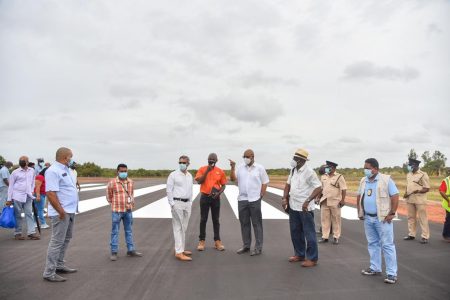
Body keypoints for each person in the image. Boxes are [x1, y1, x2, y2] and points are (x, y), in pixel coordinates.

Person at [357, 158, 399, 284]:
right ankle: (375, 268)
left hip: (382, 218)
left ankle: (392, 274)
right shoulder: (363, 180)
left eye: (368, 168)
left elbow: (395, 196)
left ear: (375, 169)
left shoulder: (386, 180)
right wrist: (359, 211)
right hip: (368, 217)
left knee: (387, 245)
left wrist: (392, 213)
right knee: (372, 243)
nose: (365, 170)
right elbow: (359, 195)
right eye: (364, 168)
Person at [43, 147, 79, 282]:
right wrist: (60, 211)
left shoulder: (67, 170)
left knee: (66, 238)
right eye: (71, 156)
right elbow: (50, 193)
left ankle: (59, 265)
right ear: (65, 157)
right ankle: (49, 272)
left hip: (69, 210)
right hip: (61, 212)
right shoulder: (53, 171)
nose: (72, 159)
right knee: (57, 241)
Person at [281, 148, 322, 267]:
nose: (293, 160)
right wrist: (284, 198)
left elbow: (318, 187)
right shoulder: (293, 170)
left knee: (309, 233)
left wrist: (308, 200)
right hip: (293, 206)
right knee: (295, 232)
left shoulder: (309, 172)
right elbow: (288, 185)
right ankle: (299, 254)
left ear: (301, 160)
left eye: (295, 158)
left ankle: (312, 258)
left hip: (305, 208)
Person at [229, 149, 269, 256]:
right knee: (244, 223)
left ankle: (258, 248)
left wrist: (261, 194)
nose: (245, 158)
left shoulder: (259, 168)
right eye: (244, 157)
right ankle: (246, 245)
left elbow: (265, 182)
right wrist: (232, 168)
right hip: (242, 200)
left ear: (252, 156)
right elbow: (233, 179)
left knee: (257, 224)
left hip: (255, 199)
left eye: (247, 156)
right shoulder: (240, 167)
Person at [106, 163, 143, 261]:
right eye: (121, 171)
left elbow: (131, 194)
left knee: (129, 231)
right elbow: (109, 196)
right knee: (115, 232)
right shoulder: (112, 182)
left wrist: (131, 204)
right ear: (117, 171)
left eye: (125, 171)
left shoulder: (130, 182)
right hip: (117, 211)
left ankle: (130, 250)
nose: (123, 173)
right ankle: (114, 252)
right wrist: (114, 204)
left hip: (128, 210)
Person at [195, 153, 227, 251]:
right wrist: (207, 171)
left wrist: (219, 193)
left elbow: (224, 185)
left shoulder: (220, 172)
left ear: (217, 160)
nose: (211, 160)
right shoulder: (202, 169)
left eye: (213, 159)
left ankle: (217, 241)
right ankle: (201, 241)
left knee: (216, 220)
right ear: (207, 159)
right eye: (210, 159)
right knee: (203, 219)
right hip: (205, 197)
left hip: (215, 198)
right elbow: (199, 181)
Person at [6, 156, 40, 240]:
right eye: (21, 161)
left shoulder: (31, 171)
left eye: (24, 161)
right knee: (18, 215)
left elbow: (33, 182)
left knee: (29, 214)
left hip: (28, 196)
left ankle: (31, 233)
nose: (22, 162)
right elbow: (11, 186)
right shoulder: (15, 172)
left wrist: (32, 191)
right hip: (17, 196)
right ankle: (18, 233)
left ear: (28, 162)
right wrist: (9, 199)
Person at [167, 155, 194, 261]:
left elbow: (190, 189)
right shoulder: (173, 175)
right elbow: (169, 189)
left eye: (184, 162)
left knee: (184, 227)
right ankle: (178, 252)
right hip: (177, 203)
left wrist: (190, 202)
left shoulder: (189, 175)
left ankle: (180, 249)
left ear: (188, 164)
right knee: (178, 227)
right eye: (180, 162)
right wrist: (172, 203)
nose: (182, 164)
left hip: (187, 204)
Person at [318, 161, 347, 245]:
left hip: (335, 201)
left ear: (333, 168)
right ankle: (325, 237)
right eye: (326, 167)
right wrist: (317, 197)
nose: (326, 168)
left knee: (336, 220)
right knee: (324, 219)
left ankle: (336, 237)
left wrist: (343, 200)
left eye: (328, 167)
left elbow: (344, 189)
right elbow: (321, 188)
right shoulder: (323, 176)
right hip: (324, 201)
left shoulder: (339, 177)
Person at [403, 158, 430, 244]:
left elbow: (427, 188)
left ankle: (425, 236)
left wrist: (418, 191)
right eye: (409, 165)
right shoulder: (409, 174)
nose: (409, 167)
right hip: (410, 199)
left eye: (410, 165)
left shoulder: (423, 174)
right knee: (411, 217)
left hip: (420, 200)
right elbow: (408, 186)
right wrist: (405, 193)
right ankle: (411, 234)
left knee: (422, 218)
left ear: (416, 166)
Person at [439, 175, 450, 242]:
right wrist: (448, 200)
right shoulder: (446, 180)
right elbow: (441, 191)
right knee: (449, 220)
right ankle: (446, 235)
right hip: (448, 203)